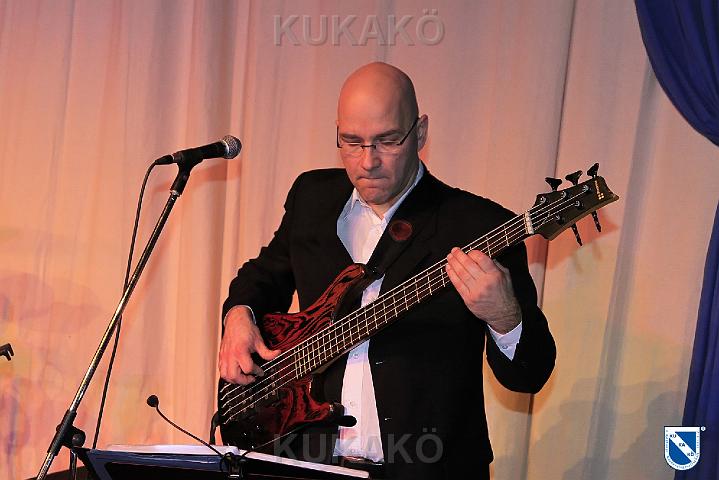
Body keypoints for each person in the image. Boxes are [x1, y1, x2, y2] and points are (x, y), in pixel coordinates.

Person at [218, 62, 555, 479]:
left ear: (420, 133)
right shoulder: (312, 198)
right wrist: (239, 315)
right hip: (313, 467)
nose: (368, 161)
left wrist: (506, 317)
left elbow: (530, 375)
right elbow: (264, 274)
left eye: (387, 141)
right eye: (351, 142)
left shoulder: (479, 226)